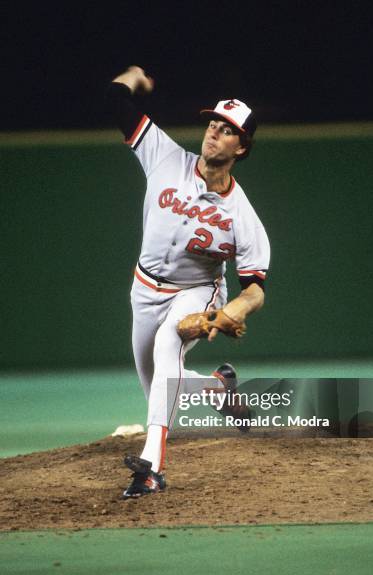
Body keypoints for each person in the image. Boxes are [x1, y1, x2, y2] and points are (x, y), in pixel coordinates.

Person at [106, 65, 270, 499]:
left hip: (196, 292)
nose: (214, 132)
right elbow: (115, 103)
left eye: (227, 129)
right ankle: (218, 387)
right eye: (213, 123)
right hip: (144, 290)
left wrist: (235, 308)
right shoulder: (164, 156)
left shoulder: (242, 216)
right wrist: (133, 79)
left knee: (166, 352)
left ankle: (150, 471)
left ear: (243, 147)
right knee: (161, 390)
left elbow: (255, 287)